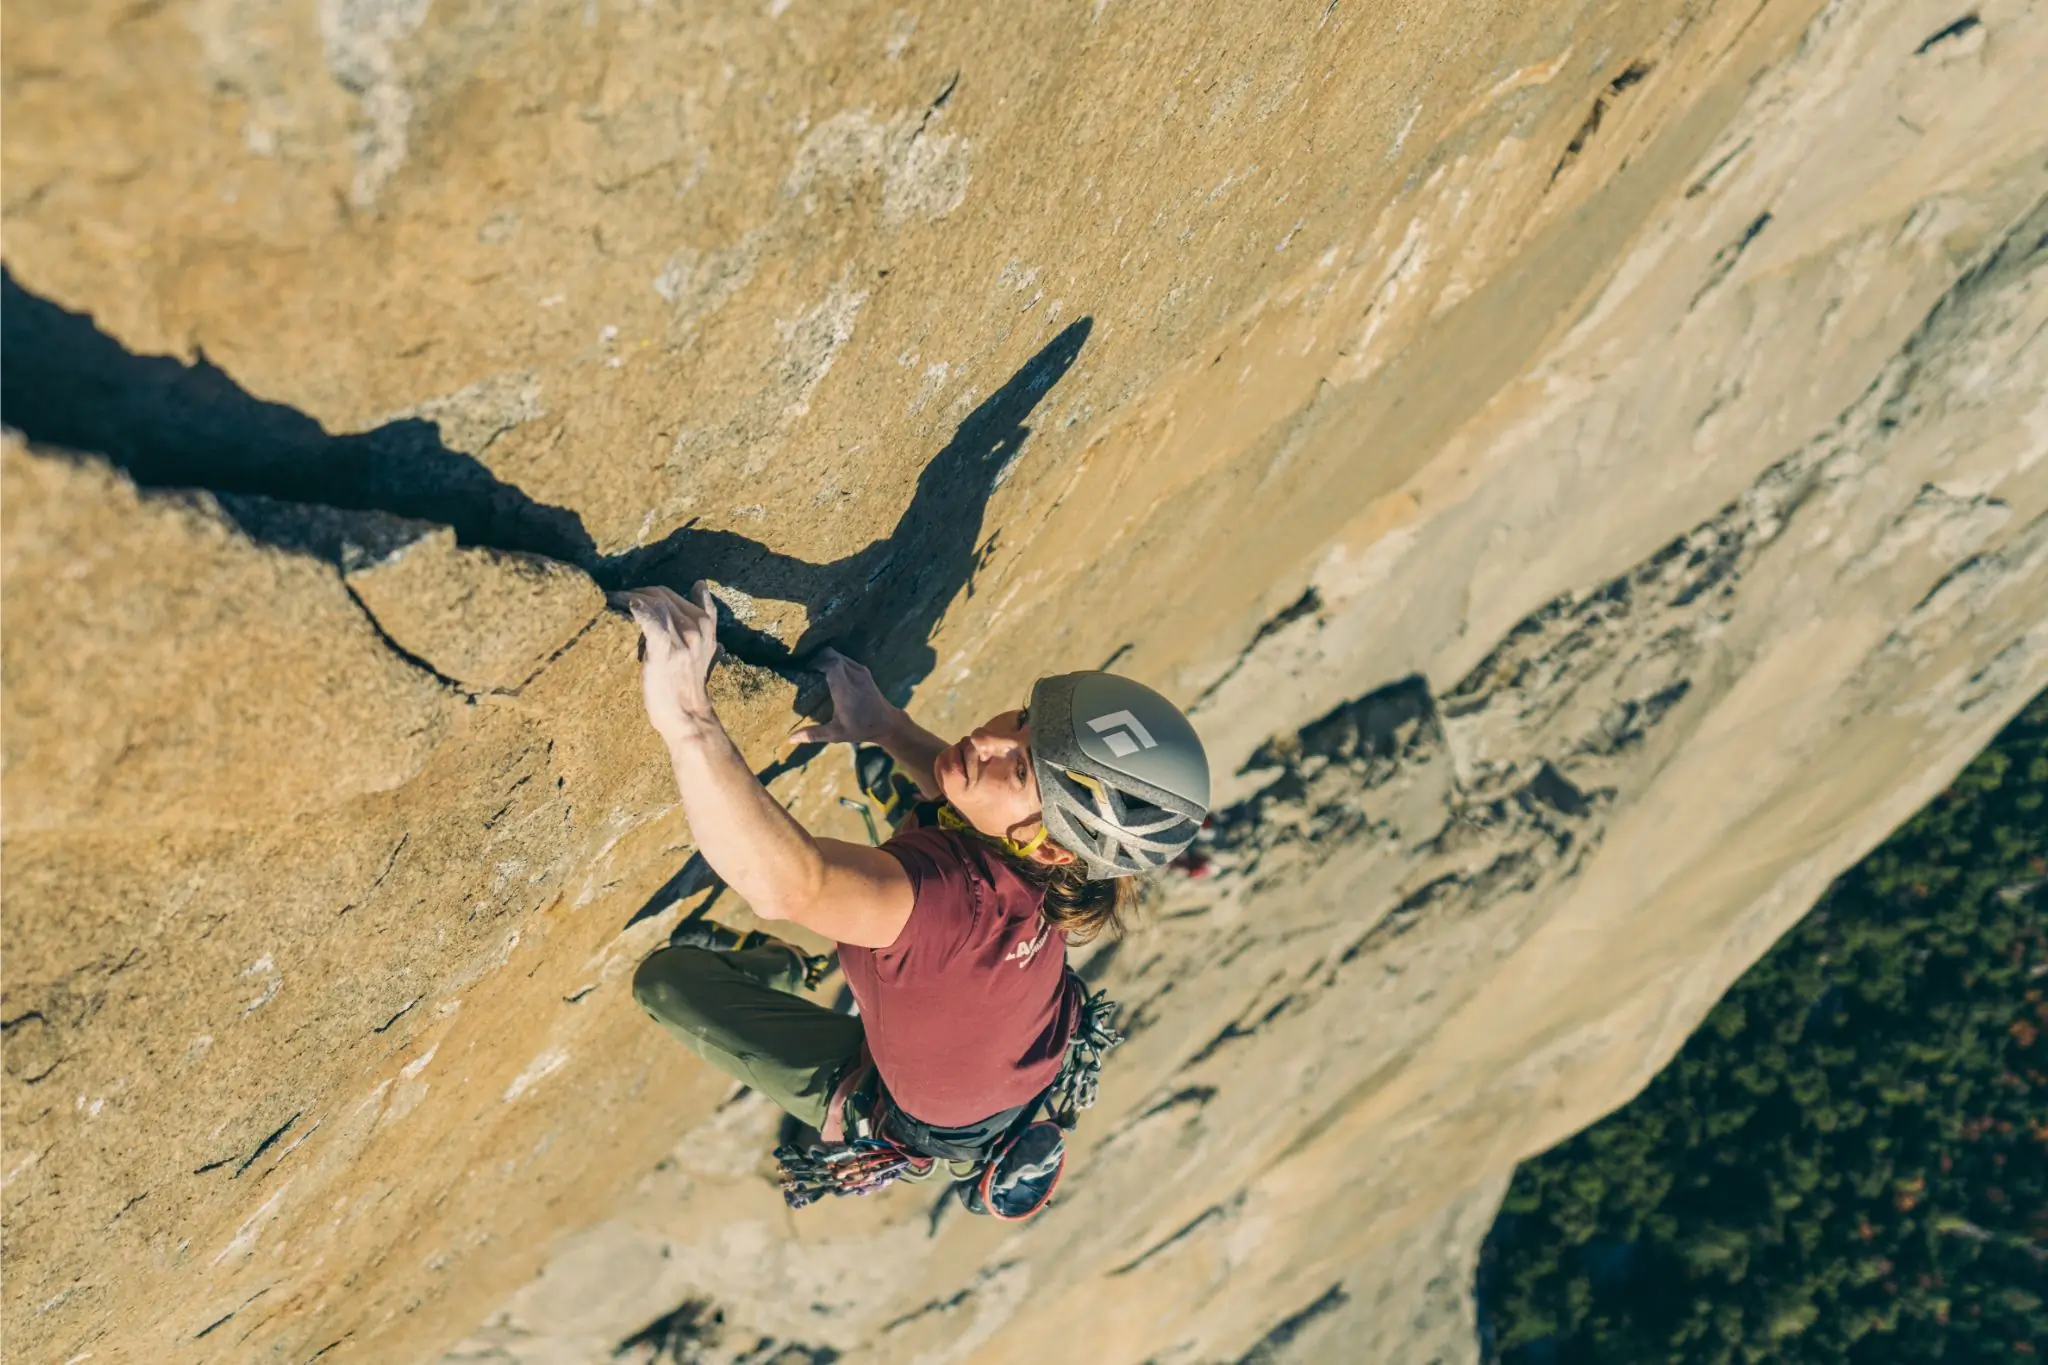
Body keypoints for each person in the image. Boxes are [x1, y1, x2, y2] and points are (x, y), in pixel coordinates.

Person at [622, 583, 1210, 1202]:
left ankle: (789, 967)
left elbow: (791, 885)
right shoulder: (1060, 873)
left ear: (1052, 851)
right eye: (1022, 721)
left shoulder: (949, 903)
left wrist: (687, 716)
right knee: (948, 804)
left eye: (1018, 768)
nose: (988, 739)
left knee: (667, 983)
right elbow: (977, 803)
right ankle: (889, 835)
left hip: (913, 1107)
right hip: (1000, 1061)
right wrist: (887, 728)